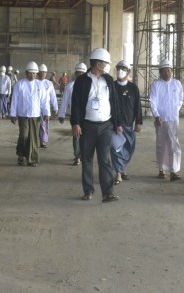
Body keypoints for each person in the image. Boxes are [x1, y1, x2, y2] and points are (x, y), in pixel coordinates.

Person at [70, 48, 121, 202]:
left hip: (106, 126)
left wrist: (117, 123)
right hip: (87, 126)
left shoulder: (109, 80)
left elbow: (114, 102)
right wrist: (75, 123)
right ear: (98, 64)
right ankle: (88, 191)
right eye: (105, 63)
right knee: (87, 159)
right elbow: (76, 103)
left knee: (105, 159)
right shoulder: (81, 81)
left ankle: (108, 192)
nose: (107, 65)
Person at [150, 59, 184, 181]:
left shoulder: (177, 84)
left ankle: (173, 171)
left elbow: (180, 99)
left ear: (172, 71)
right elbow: (153, 101)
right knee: (161, 144)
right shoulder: (156, 84)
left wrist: (175, 110)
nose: (167, 73)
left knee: (174, 144)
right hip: (160, 119)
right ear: (160, 72)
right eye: (164, 71)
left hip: (173, 119)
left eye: (169, 70)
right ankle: (161, 169)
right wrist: (156, 115)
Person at [10, 61, 50, 166]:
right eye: (30, 73)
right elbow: (14, 100)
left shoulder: (40, 85)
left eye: (34, 73)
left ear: (36, 73)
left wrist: (47, 112)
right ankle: (21, 154)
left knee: (34, 138)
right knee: (24, 135)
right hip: (23, 115)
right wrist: (13, 114)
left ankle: (32, 159)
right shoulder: (20, 84)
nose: (32, 75)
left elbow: (44, 100)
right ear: (26, 73)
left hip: (36, 115)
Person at [111, 59, 143, 185]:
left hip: (129, 123)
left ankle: (121, 167)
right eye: (119, 68)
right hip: (114, 125)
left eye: (123, 69)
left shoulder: (133, 88)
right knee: (116, 149)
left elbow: (137, 105)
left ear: (128, 71)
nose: (120, 71)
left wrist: (138, 121)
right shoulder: (112, 86)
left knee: (129, 148)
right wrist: (115, 123)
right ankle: (118, 173)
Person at [59, 63, 87, 165]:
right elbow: (65, 100)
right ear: (75, 73)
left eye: (82, 72)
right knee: (76, 136)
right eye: (79, 72)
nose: (80, 74)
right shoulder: (70, 86)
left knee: (86, 136)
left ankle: (84, 155)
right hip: (75, 115)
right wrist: (61, 114)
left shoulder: (89, 85)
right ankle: (77, 156)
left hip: (87, 116)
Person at [37, 64, 58, 148]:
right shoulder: (34, 82)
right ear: (38, 73)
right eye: (41, 72)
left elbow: (53, 96)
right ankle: (33, 141)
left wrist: (55, 108)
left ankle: (43, 141)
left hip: (46, 108)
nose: (43, 74)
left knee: (44, 124)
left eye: (44, 72)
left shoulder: (49, 84)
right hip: (35, 107)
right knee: (35, 125)